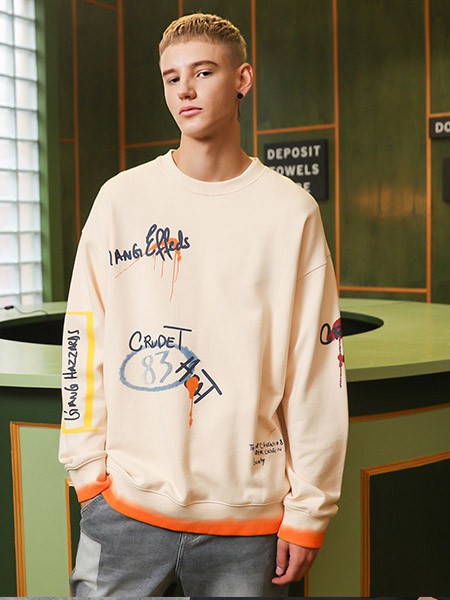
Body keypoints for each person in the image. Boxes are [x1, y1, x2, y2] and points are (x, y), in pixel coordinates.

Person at [59, 12, 348, 597]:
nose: (184, 90)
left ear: (242, 79)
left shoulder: (290, 212)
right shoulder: (121, 200)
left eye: (203, 72)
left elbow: (317, 370)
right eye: (172, 77)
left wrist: (309, 509)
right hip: (123, 509)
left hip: (249, 519)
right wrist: (87, 471)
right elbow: (81, 336)